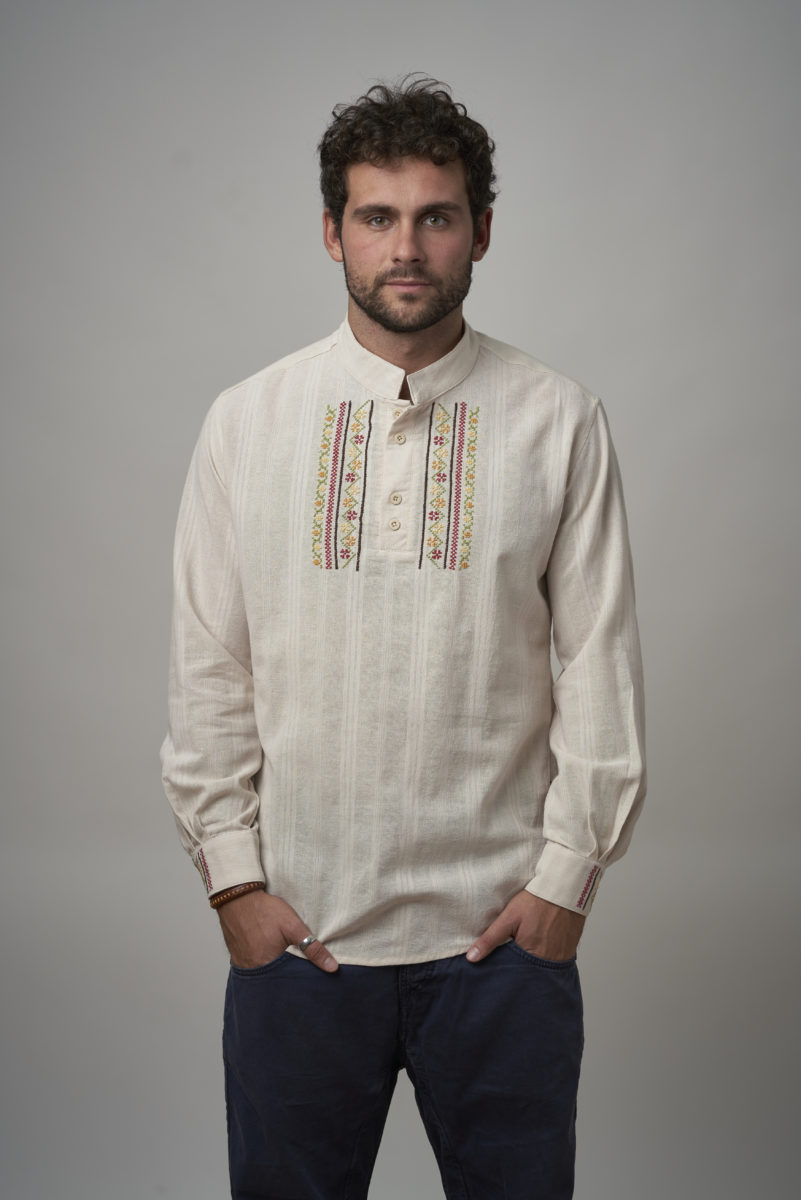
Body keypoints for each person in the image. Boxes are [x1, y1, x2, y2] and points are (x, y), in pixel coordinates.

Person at [161, 76, 646, 1200]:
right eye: (377, 216)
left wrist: (565, 886)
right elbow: (210, 667)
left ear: (482, 229)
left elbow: (600, 665)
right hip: (302, 942)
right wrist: (233, 886)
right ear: (332, 231)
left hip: (499, 945)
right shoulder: (248, 422)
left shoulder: (557, 419)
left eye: (437, 215)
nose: (407, 247)